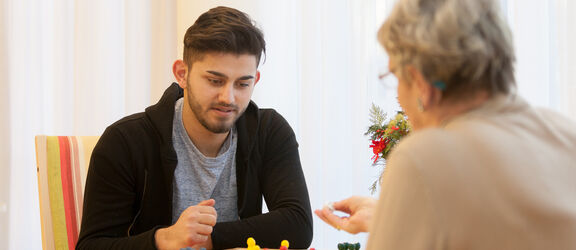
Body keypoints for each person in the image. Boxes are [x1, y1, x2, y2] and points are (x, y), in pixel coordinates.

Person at [316, 0, 576, 249]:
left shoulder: (424, 157)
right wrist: (390, 217)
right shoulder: (565, 134)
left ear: (421, 83)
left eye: (394, 75)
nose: (398, 94)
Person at [76, 6, 313, 250]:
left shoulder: (270, 132)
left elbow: (298, 225)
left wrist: (209, 238)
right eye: (214, 81)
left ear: (256, 80)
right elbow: (91, 245)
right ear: (182, 73)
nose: (228, 97)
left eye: (242, 84)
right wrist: (164, 239)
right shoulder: (125, 141)